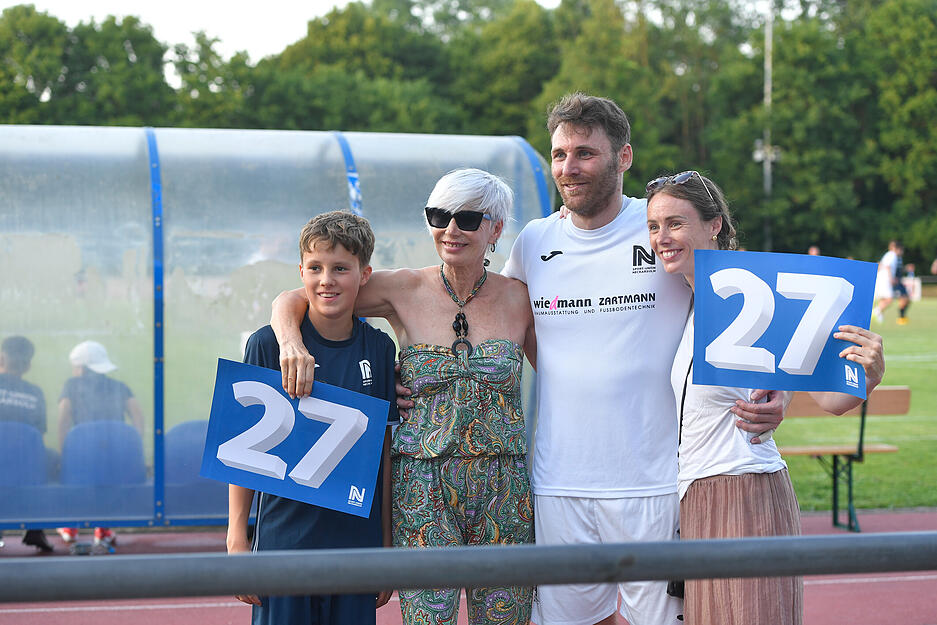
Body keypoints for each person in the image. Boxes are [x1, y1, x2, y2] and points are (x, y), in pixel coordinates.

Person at [498, 93, 785, 625]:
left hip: (656, 480)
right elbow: (505, 326)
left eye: (585, 153)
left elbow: (747, 312)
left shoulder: (662, 229)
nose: (568, 167)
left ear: (623, 158)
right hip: (560, 479)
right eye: (559, 154)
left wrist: (775, 394)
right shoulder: (534, 241)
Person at [271, 170, 536, 625]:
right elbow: (300, 294)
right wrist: (291, 343)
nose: (451, 229)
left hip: (503, 487)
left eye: (469, 218)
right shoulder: (403, 287)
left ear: (496, 229)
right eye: (440, 216)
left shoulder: (520, 299)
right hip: (422, 487)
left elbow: (562, 372)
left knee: (506, 620)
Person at [645, 170, 885, 624]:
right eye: (654, 226)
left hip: (746, 493)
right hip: (693, 498)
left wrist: (868, 374)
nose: (662, 237)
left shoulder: (758, 292)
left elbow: (834, 399)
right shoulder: (686, 299)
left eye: (676, 223)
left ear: (714, 224)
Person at [227, 211, 398, 625]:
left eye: (341, 268)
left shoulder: (380, 348)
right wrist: (236, 537)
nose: (327, 280)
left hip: (355, 544)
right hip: (283, 542)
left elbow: (384, 451)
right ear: (300, 271)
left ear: (364, 274)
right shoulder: (268, 344)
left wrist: (386, 541)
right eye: (316, 268)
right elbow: (243, 448)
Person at [57, 340, 145, 548]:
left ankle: (71, 527)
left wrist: (65, 454)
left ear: (81, 367)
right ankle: (103, 529)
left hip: (83, 458)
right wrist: (134, 449)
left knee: (78, 481)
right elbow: (137, 418)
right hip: (116, 457)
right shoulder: (120, 387)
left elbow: (63, 420)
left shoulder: (71, 386)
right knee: (108, 481)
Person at [0, 336, 54, 553]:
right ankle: (35, 528)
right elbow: (38, 438)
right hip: (24, 464)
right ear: (28, 365)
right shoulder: (35, 393)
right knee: (52, 461)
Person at [873, 240, 910, 325]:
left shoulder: (889, 255)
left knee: (883, 299)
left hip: (881, 278)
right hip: (885, 279)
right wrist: (891, 278)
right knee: (890, 299)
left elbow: (881, 265)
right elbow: (888, 267)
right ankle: (876, 311)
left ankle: (879, 316)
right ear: (898, 249)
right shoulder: (892, 255)